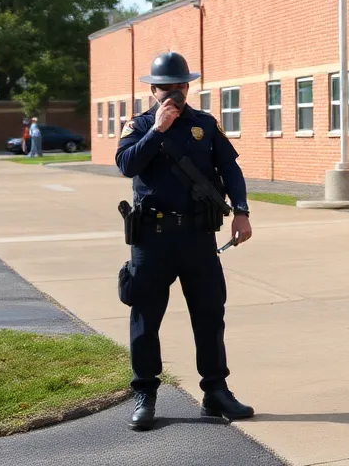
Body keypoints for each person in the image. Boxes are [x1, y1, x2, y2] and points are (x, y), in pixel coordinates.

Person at [115, 50, 254, 431]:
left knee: (210, 316)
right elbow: (127, 165)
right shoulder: (138, 125)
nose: (174, 94)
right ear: (153, 90)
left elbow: (230, 168)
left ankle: (216, 391)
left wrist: (241, 210)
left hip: (197, 237)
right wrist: (156, 130)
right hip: (151, 239)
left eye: (180, 87)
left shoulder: (205, 125)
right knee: (145, 319)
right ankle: (145, 393)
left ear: (187, 87)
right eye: (166, 88)